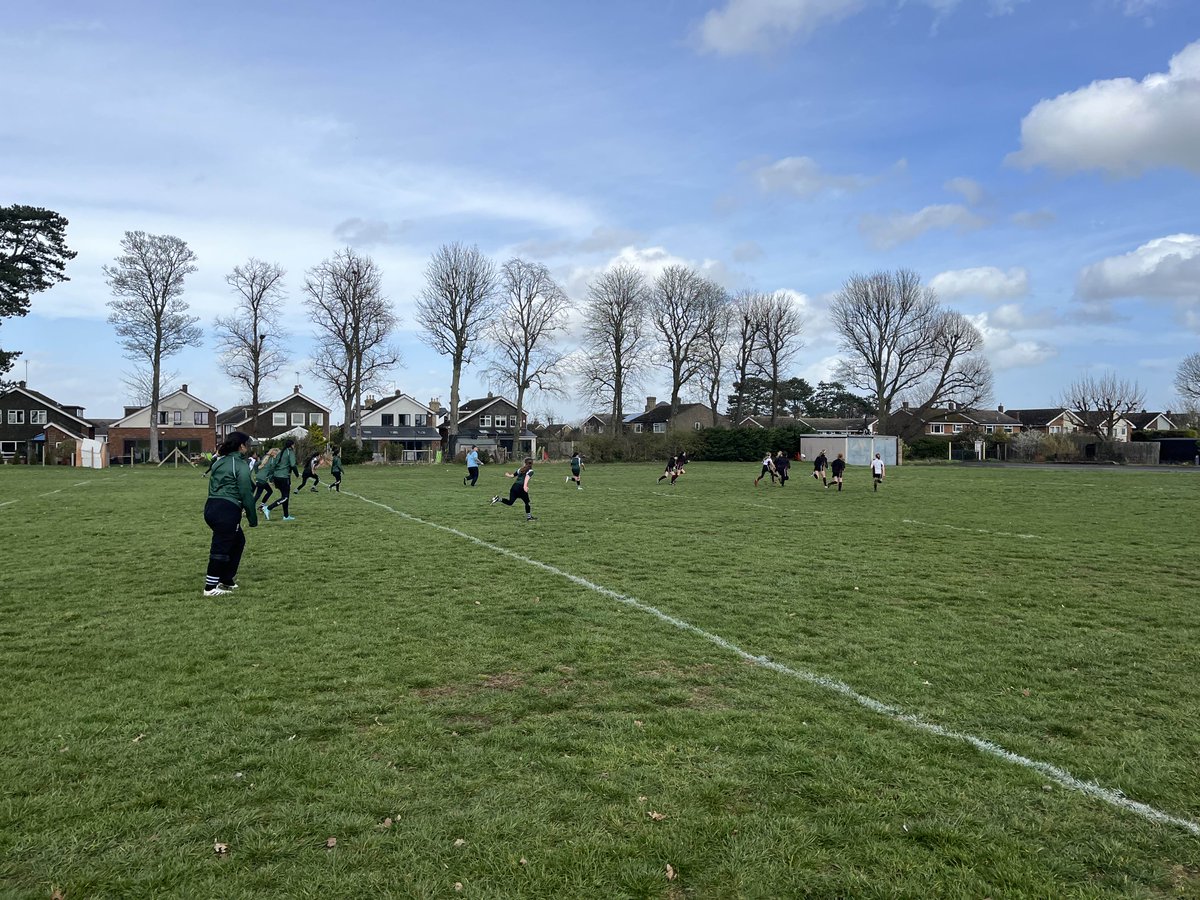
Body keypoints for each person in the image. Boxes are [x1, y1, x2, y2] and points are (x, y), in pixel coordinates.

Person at [202, 431, 257, 596]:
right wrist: (252, 518)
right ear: (241, 446)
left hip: (211, 506)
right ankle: (210, 587)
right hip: (226, 510)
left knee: (238, 540)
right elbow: (246, 493)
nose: (248, 447)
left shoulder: (219, 462)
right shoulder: (240, 465)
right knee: (221, 545)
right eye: (246, 444)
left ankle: (226, 578)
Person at [264, 437, 299, 521]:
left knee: (284, 496)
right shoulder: (289, 452)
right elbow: (293, 464)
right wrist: (297, 474)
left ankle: (286, 516)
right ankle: (268, 508)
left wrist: (271, 477)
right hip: (284, 477)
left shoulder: (280, 453)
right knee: (285, 497)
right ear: (291, 445)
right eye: (294, 445)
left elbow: (273, 465)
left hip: (277, 477)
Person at [491, 457, 536, 521]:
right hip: (521, 488)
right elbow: (527, 477)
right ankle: (529, 517)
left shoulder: (520, 469)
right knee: (527, 502)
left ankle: (498, 499)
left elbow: (512, 476)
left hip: (514, 487)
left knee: (510, 502)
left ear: (524, 463)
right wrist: (525, 486)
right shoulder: (531, 471)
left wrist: (507, 475)